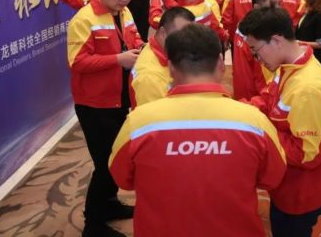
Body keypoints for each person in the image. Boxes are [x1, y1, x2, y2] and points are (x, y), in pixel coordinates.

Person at [109, 24, 287, 237]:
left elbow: (122, 178)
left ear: (170, 67)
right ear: (220, 62)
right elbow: (272, 177)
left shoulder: (138, 123)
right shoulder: (254, 122)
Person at [239, 7, 321, 237]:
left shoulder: (306, 88)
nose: (256, 59)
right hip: (283, 183)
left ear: (276, 40)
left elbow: (306, 153)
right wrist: (237, 111)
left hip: (298, 193)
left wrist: (260, 132)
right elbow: (267, 99)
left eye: (256, 51)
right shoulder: (288, 66)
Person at [67, 0, 143, 237]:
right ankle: (93, 224)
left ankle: (109, 204)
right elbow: (77, 62)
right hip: (95, 104)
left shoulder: (125, 12)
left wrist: (139, 48)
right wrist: (117, 59)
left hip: (120, 98)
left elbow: (133, 38)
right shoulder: (84, 19)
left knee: (117, 157)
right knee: (106, 164)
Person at [131, 7, 195, 106]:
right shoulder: (150, 77)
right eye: (182, 35)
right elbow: (155, 114)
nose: (189, 41)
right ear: (163, 33)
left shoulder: (166, 51)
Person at [233, 0, 282, 100]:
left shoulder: (244, 26)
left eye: (279, 4)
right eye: (272, 6)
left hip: (245, 98)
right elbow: (267, 80)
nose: (279, 10)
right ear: (257, 7)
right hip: (259, 101)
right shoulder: (262, 38)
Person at [296, 0, 321, 71]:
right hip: (302, 55)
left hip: (311, 58)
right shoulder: (307, 11)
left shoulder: (320, 16)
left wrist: (300, 43)